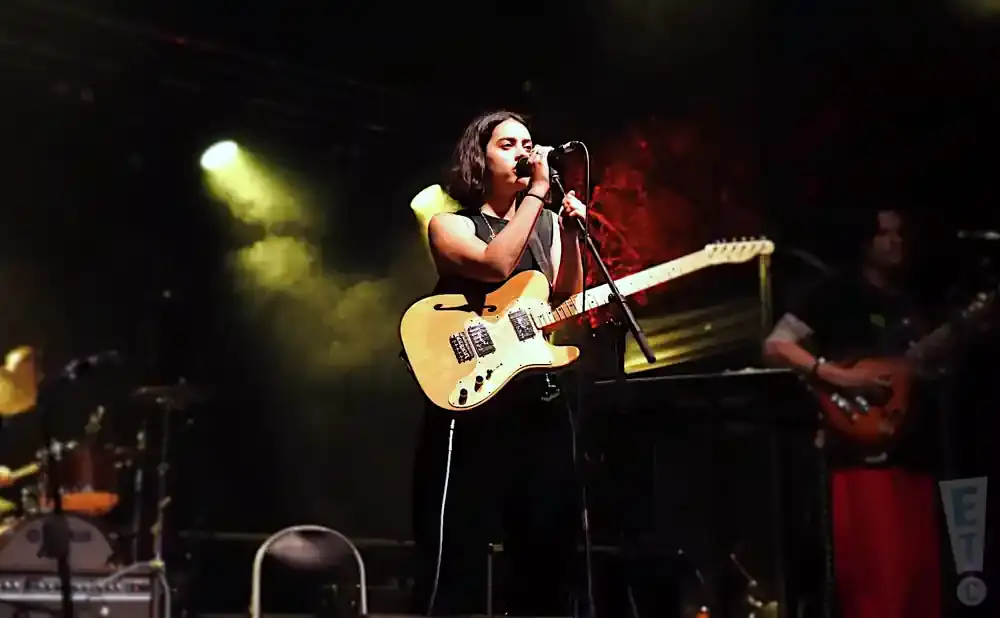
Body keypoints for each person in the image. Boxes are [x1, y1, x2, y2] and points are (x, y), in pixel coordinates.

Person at [409, 110, 587, 616]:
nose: (524, 153)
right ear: (479, 159)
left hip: (534, 402)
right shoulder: (449, 225)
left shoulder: (544, 226)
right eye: (508, 144)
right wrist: (539, 191)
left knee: (545, 552)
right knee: (455, 554)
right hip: (469, 402)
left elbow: (566, 303)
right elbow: (495, 264)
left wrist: (571, 234)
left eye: (528, 144)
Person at [763, 209, 942, 618]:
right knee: (880, 587)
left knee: (921, 587)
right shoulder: (834, 293)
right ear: (864, 242)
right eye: (885, 234)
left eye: (901, 234)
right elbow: (776, 345)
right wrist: (839, 377)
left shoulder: (910, 301)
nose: (896, 243)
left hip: (914, 454)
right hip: (860, 462)